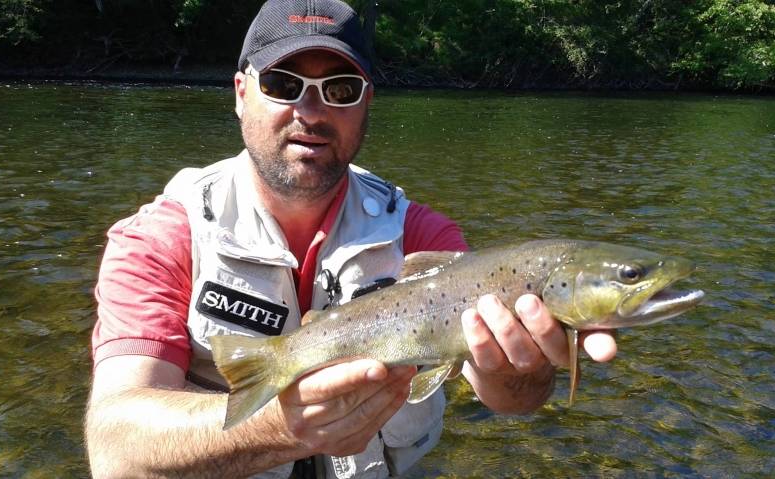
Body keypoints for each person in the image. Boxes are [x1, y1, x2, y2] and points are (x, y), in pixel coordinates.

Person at [84, 0, 618, 477]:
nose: (311, 113)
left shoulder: (421, 235)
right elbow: (114, 449)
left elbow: (507, 398)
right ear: (242, 93)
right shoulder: (162, 235)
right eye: (284, 85)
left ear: (367, 103)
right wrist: (280, 428)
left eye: (339, 90)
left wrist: (523, 375)